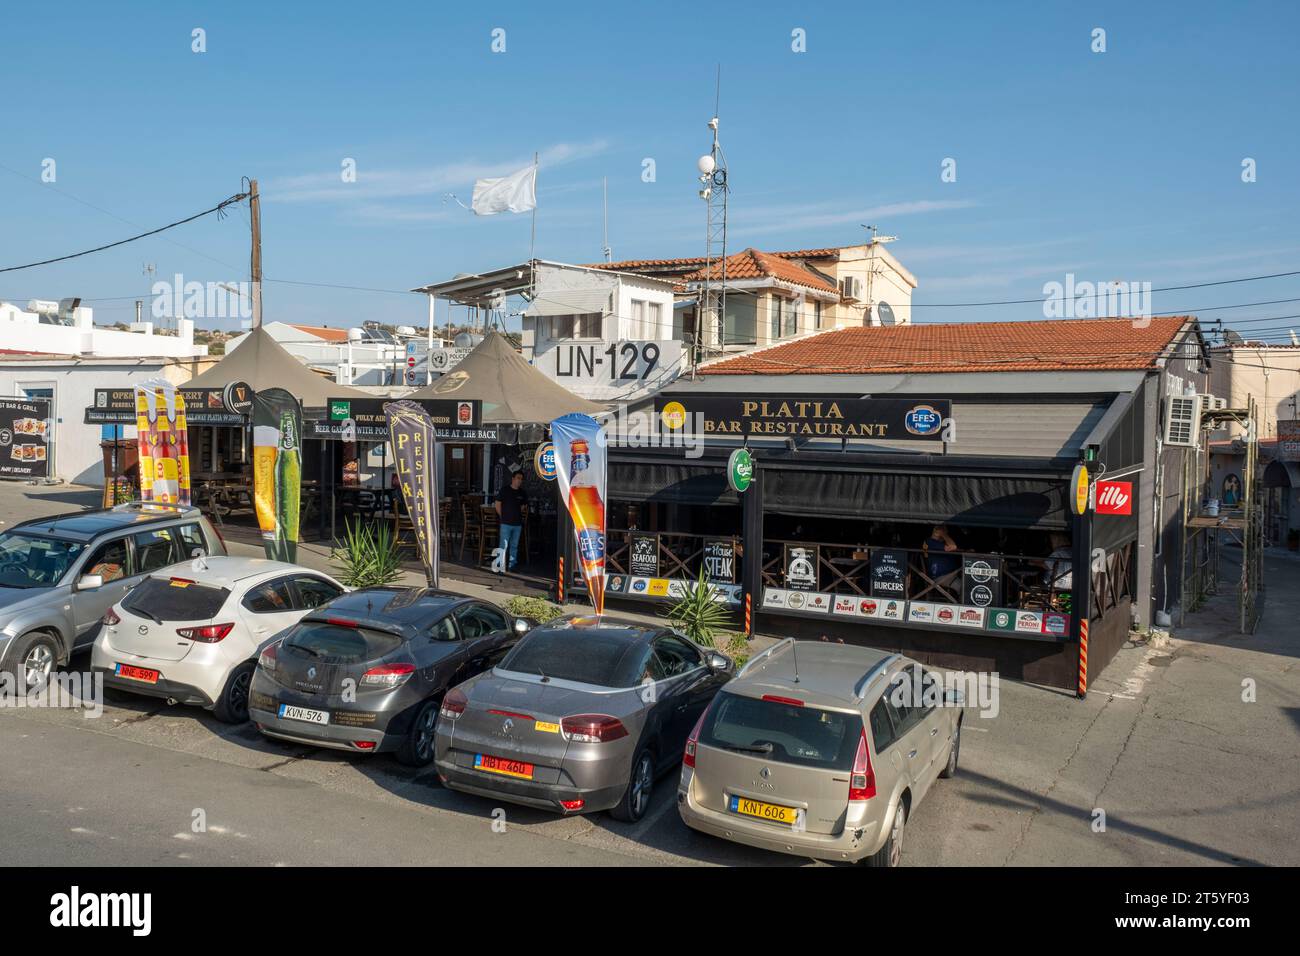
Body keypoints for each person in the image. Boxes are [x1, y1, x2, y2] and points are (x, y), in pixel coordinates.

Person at [494, 470, 528, 573]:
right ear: (513, 479)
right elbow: (497, 504)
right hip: (506, 523)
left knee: (514, 546)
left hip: (517, 524)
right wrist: (503, 516)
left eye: (521, 479)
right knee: (503, 545)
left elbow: (523, 506)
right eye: (518, 478)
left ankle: (512, 565)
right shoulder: (504, 490)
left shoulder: (522, 493)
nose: (519, 481)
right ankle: (500, 566)